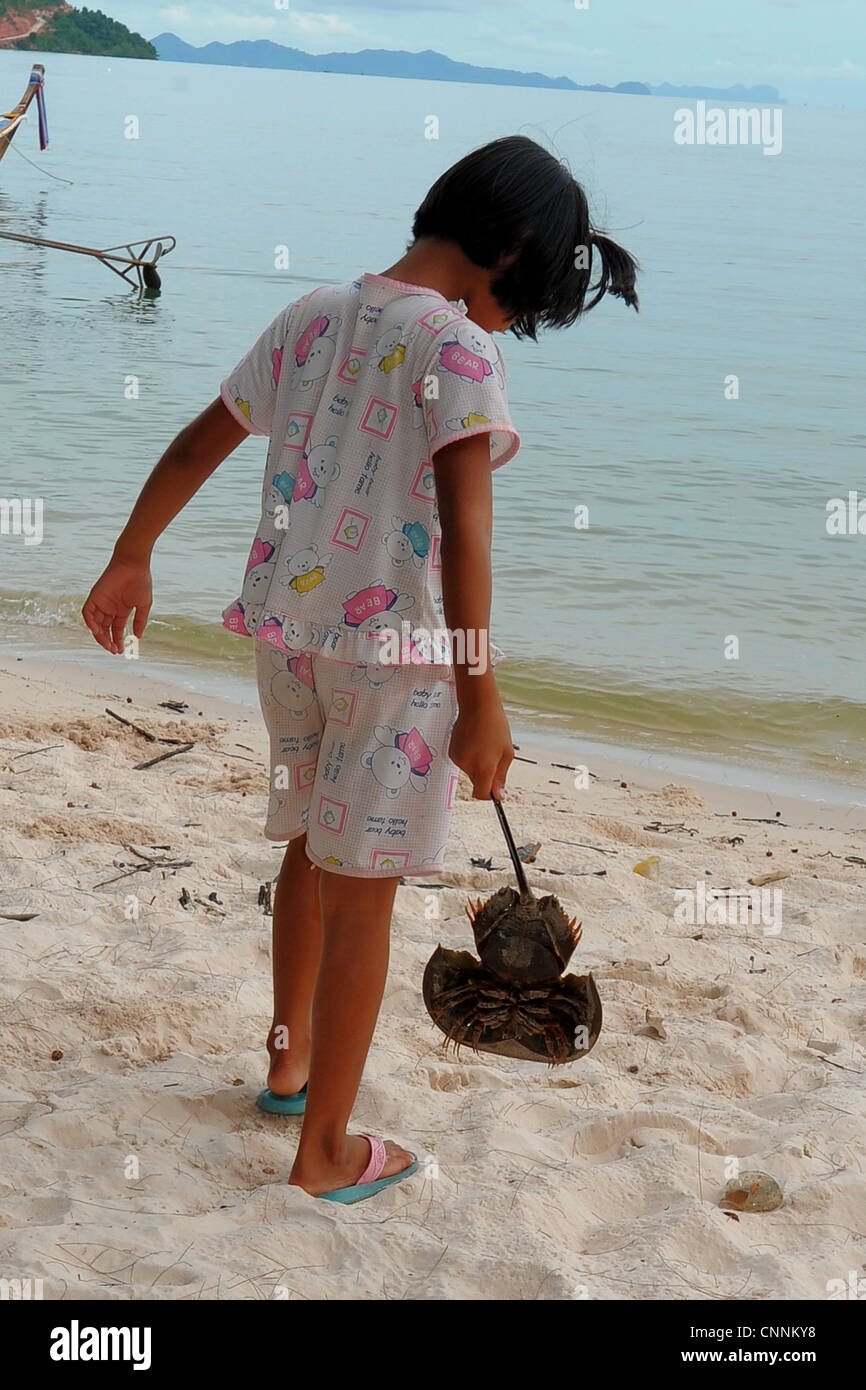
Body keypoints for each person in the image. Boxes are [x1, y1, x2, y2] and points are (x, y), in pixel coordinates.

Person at [82, 134, 638, 1204]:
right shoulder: (459, 351)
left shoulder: (313, 315)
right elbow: (468, 539)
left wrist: (131, 553)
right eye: (523, 292)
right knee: (365, 897)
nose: (508, 319)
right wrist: (482, 694)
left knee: (307, 850)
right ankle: (325, 1148)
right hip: (400, 663)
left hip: (289, 638)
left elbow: (202, 442)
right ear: (511, 249)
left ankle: (289, 1068)